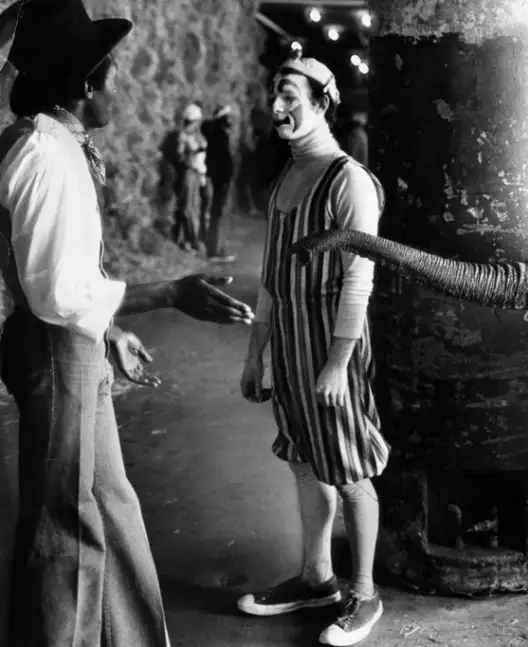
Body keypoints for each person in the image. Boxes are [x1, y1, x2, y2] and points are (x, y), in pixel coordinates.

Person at [0, 1, 255, 645]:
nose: (123, 88)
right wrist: (168, 291)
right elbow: (54, 289)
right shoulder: (43, 153)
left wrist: (108, 329)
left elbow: (52, 270)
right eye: (114, 77)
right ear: (84, 85)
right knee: (65, 525)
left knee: (107, 502)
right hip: (56, 348)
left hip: (72, 339)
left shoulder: (53, 142)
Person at [237, 47, 388, 647]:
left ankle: (366, 594)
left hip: (332, 349)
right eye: (274, 95)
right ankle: (316, 577)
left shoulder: (347, 180)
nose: (277, 107)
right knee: (304, 460)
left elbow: (360, 277)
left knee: (350, 471)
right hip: (293, 348)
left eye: (290, 97)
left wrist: (336, 363)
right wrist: (256, 355)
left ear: (322, 103)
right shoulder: (285, 180)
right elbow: (272, 279)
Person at [200, 103, 237, 262]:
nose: (230, 120)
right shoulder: (219, 133)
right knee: (219, 214)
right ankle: (215, 251)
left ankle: (217, 249)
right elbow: (223, 159)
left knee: (218, 214)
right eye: (227, 116)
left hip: (219, 177)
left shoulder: (215, 132)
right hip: (221, 178)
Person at [171, 102, 207, 253]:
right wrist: (190, 154)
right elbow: (179, 156)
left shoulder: (195, 136)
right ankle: (191, 240)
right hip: (188, 173)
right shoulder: (184, 136)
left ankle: (188, 239)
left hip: (196, 173)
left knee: (193, 207)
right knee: (187, 208)